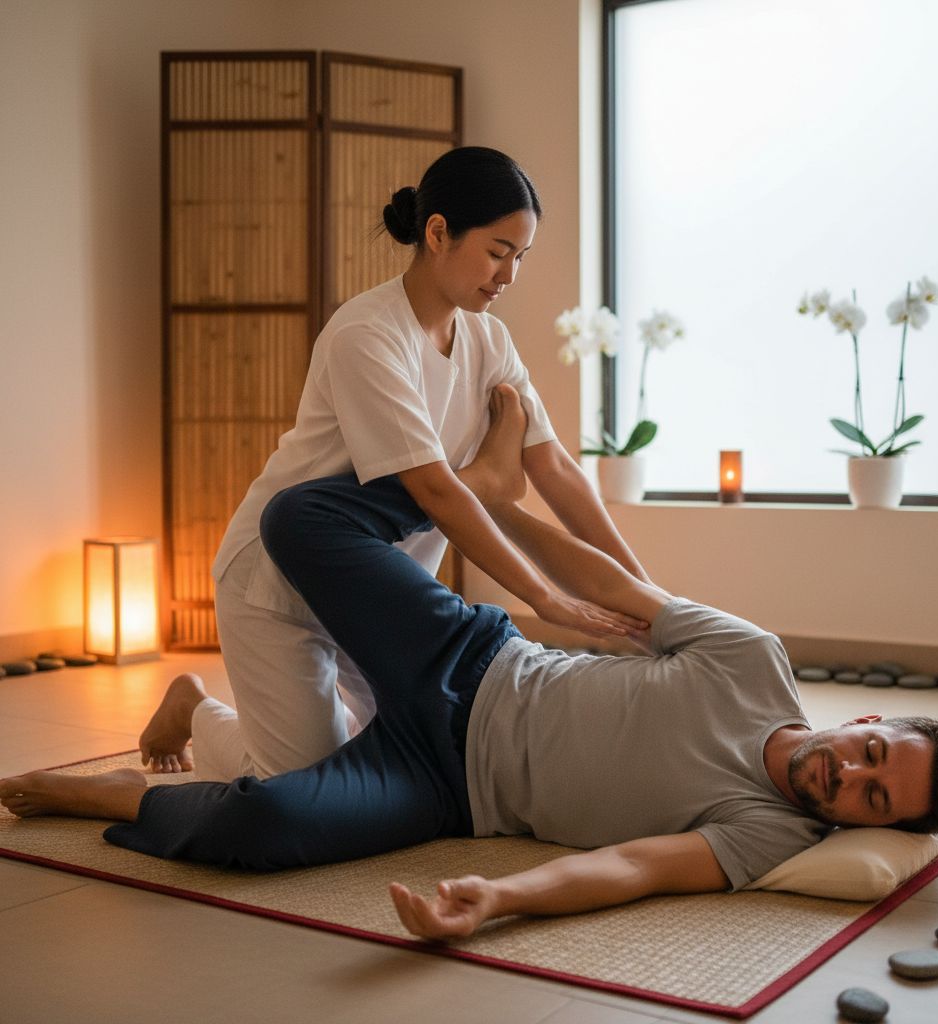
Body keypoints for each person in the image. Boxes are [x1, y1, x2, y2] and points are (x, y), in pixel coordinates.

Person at [0, 389, 938, 941]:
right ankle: (467, 482)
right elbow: (614, 585)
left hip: (442, 787)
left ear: (866, 824)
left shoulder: (768, 833)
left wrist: (498, 898)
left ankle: (115, 784)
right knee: (300, 515)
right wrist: (491, 509)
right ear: (866, 724)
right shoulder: (752, 660)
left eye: (871, 801)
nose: (845, 777)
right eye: (869, 756)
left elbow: (631, 865)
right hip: (473, 655)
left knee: (263, 828)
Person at [153, 147, 649, 783]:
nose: (509, 275)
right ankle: (195, 709)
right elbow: (435, 493)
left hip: (377, 598)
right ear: (438, 233)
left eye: (521, 257)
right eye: (498, 252)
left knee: (431, 760)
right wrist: (545, 598)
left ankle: (315, 722)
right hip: (278, 583)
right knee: (307, 787)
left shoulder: (489, 339)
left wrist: (646, 596)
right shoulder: (367, 334)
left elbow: (554, 469)